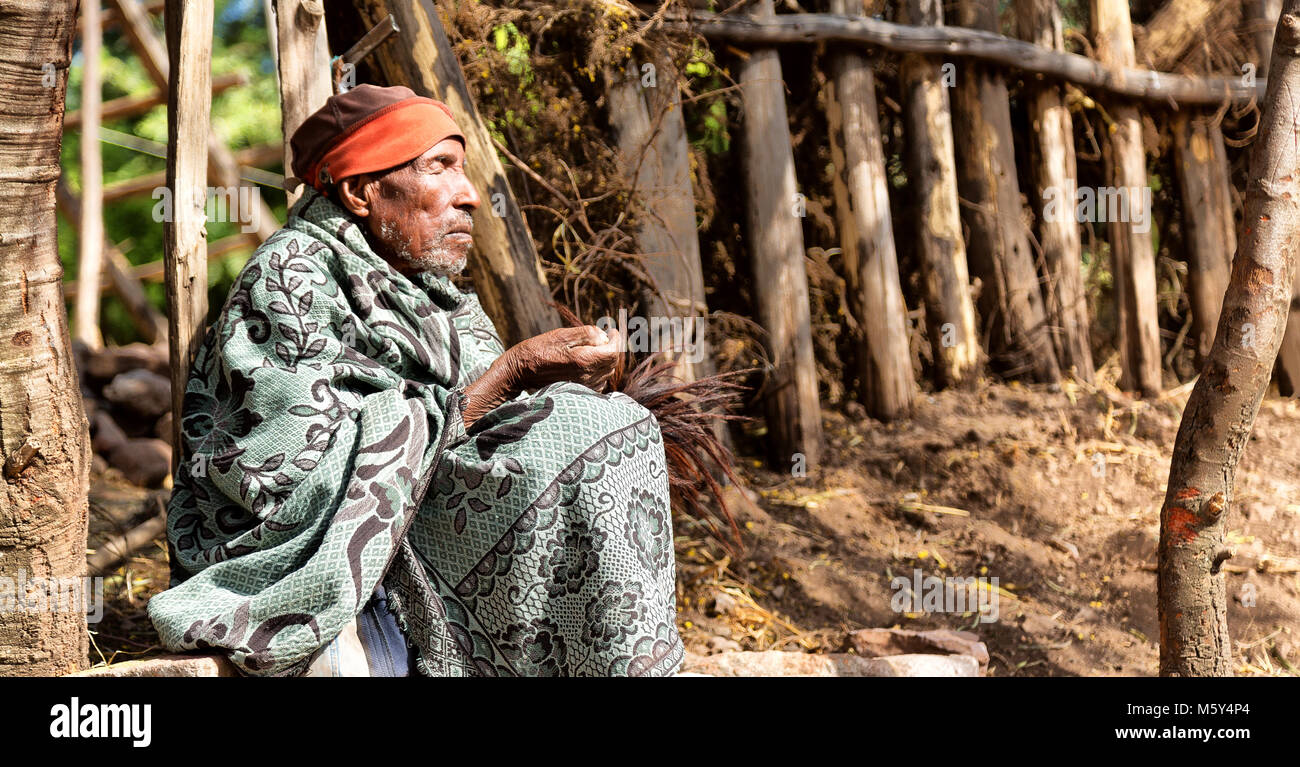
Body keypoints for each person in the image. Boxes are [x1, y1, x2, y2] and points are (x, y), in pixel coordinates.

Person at [147, 85, 684, 677]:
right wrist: (514, 372)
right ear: (360, 191)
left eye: (464, 170)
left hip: (422, 540)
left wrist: (555, 389)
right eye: (440, 167)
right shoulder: (289, 277)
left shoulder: (437, 298)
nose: (471, 196)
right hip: (335, 564)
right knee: (593, 429)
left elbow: (497, 438)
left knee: (607, 425)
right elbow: (293, 477)